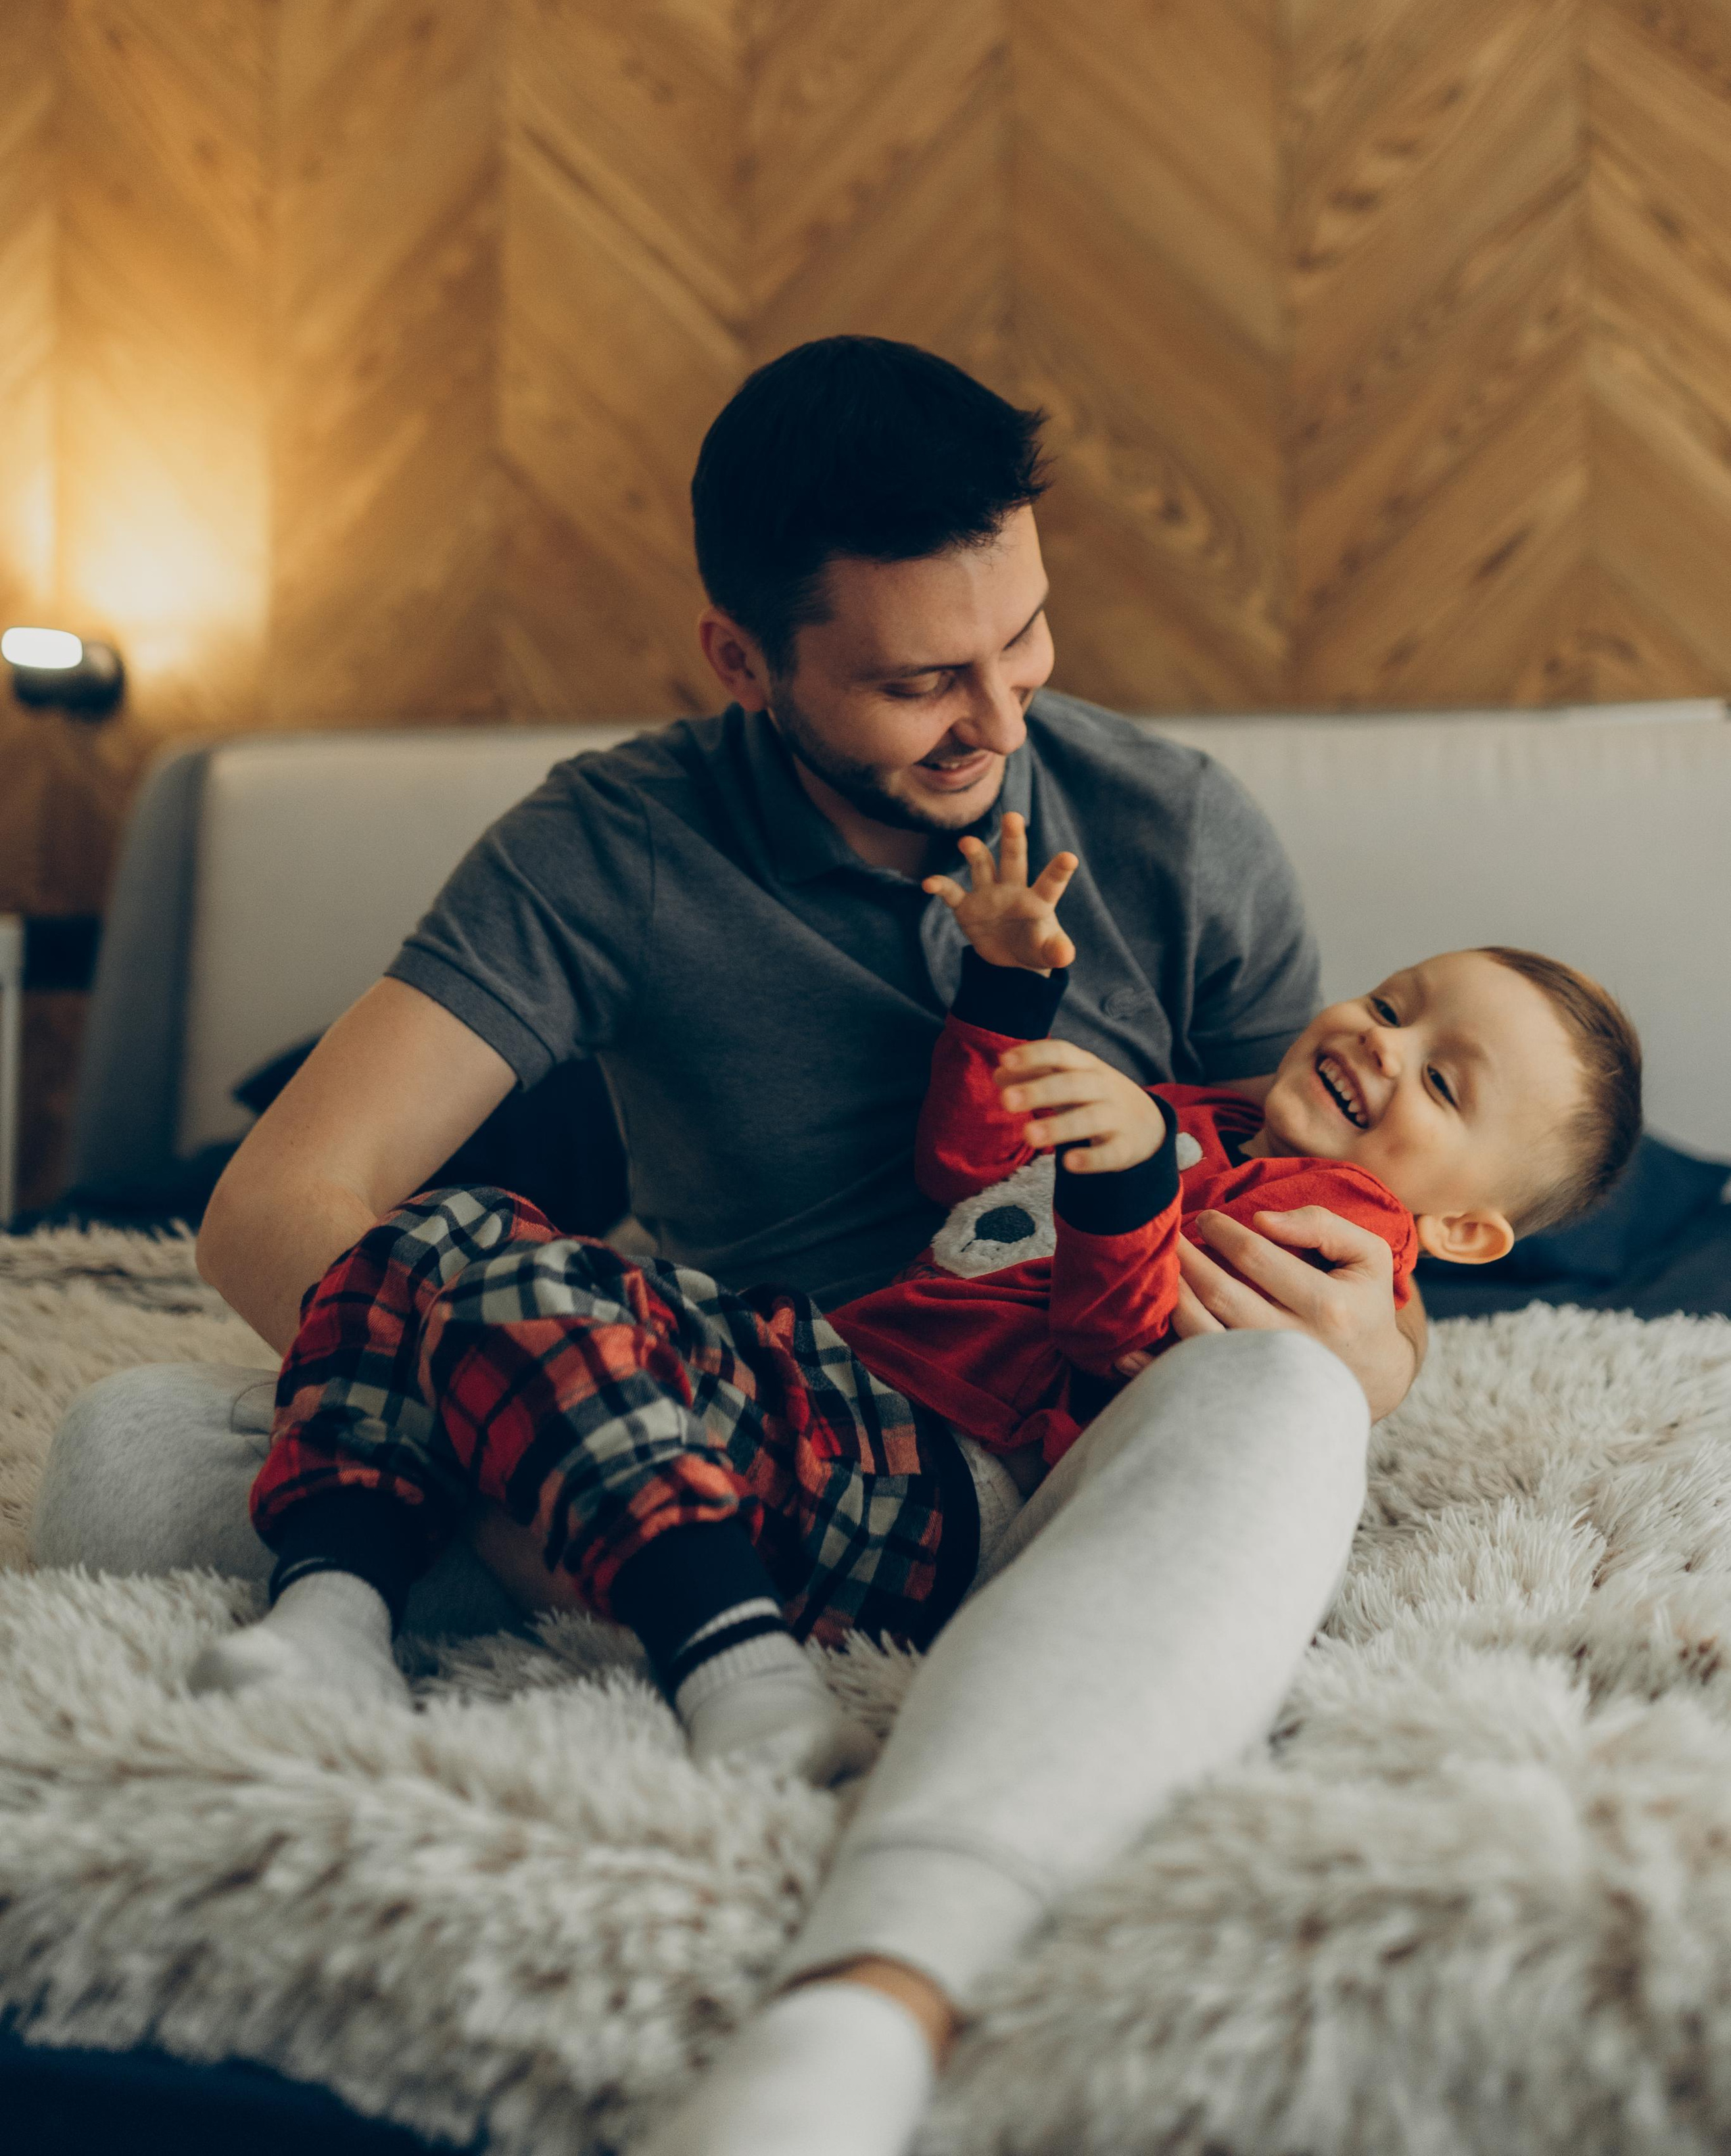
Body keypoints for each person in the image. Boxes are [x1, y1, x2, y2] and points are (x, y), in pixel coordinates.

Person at [31, 337, 1427, 2156]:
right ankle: (773, 1589)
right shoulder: (607, 847)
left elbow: (1319, 1180)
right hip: (724, 1407)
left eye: (1028, 640)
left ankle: (868, 1999)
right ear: (743, 661)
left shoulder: (1175, 830)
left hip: (1058, 1442)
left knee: (1284, 1411)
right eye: (924, 680)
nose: (1002, 723)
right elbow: (277, 1212)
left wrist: (1386, 1346)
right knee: (120, 1455)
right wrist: (586, 1435)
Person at [186, 823, 1639, 1813]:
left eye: (1443, 1084)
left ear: (1459, 1232)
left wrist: (1133, 1169)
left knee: (512, 1291)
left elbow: (1121, 1345)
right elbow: (963, 1165)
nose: (1378, 1049)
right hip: (824, 1384)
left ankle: (731, 1664)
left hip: (944, 1481)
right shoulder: (1200, 1115)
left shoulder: (1335, 1245)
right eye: (1392, 1005)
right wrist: (1009, 988)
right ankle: (333, 1610)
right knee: (449, 1234)